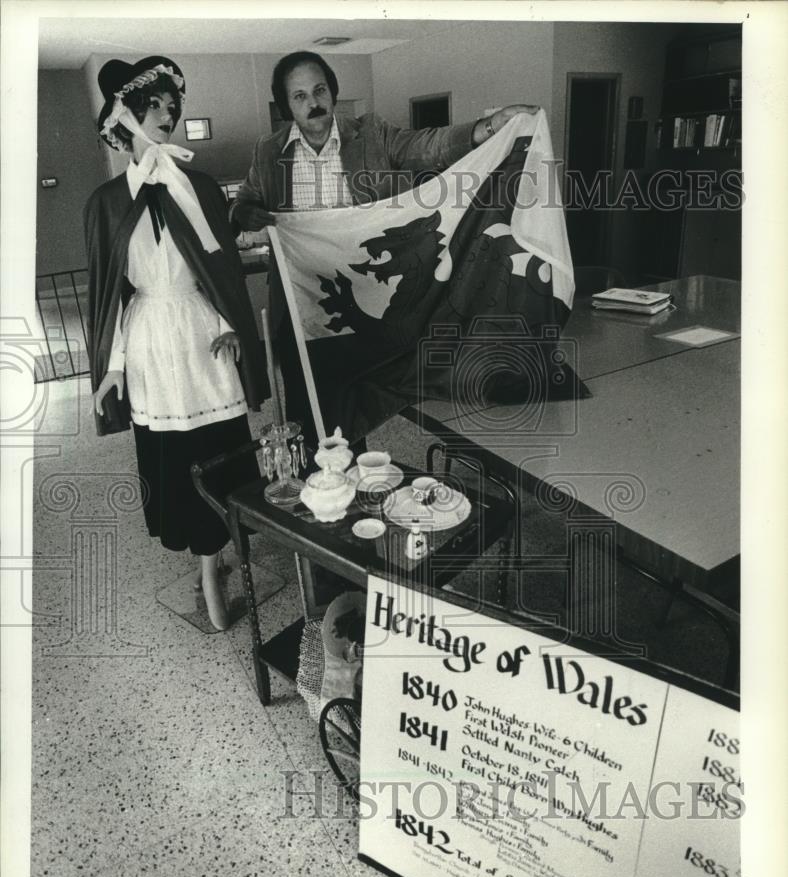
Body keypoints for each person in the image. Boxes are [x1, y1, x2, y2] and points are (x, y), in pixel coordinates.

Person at [231, 50, 539, 442]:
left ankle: (355, 481)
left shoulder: (371, 134)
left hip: (362, 298)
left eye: (320, 90)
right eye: (300, 96)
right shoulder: (268, 152)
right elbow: (243, 202)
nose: (314, 103)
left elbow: (429, 145)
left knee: (355, 401)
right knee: (304, 403)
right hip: (296, 302)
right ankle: (315, 488)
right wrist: (244, 214)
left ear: (333, 91)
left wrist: (491, 127)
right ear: (286, 105)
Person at [85, 56, 267, 631]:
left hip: (203, 333)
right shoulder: (108, 203)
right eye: (154, 106)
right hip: (149, 344)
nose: (168, 116)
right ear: (127, 115)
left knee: (221, 445)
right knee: (174, 455)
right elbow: (110, 293)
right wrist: (111, 366)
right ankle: (208, 566)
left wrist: (231, 325)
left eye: (172, 106)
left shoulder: (201, 188)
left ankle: (217, 558)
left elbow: (222, 273)